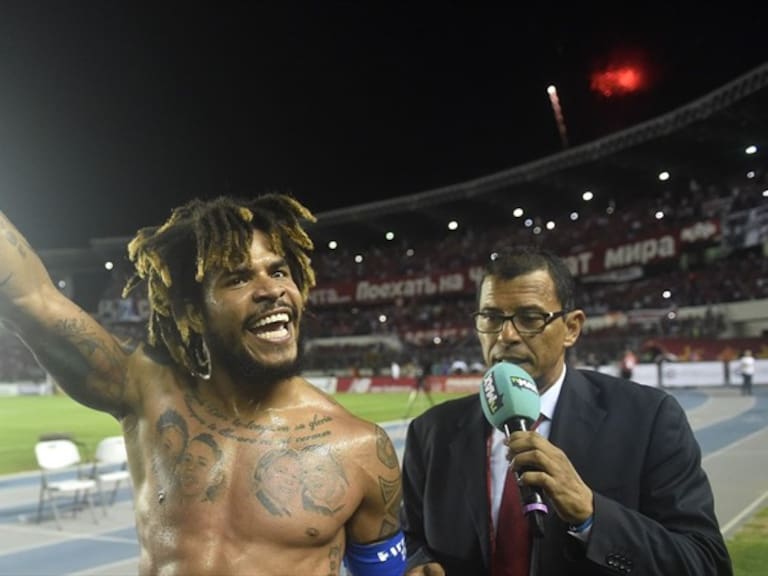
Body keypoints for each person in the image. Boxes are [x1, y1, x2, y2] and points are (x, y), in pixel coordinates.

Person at [0, 195, 405, 576]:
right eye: (238, 279)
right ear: (193, 311)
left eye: (278, 271)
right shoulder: (148, 394)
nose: (271, 290)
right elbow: (29, 298)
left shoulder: (360, 450)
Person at [400, 244, 731, 575]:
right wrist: (417, 561)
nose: (507, 335)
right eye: (491, 318)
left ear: (572, 328)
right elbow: (409, 536)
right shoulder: (431, 431)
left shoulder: (649, 419)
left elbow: (705, 563)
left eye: (529, 318)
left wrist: (592, 514)